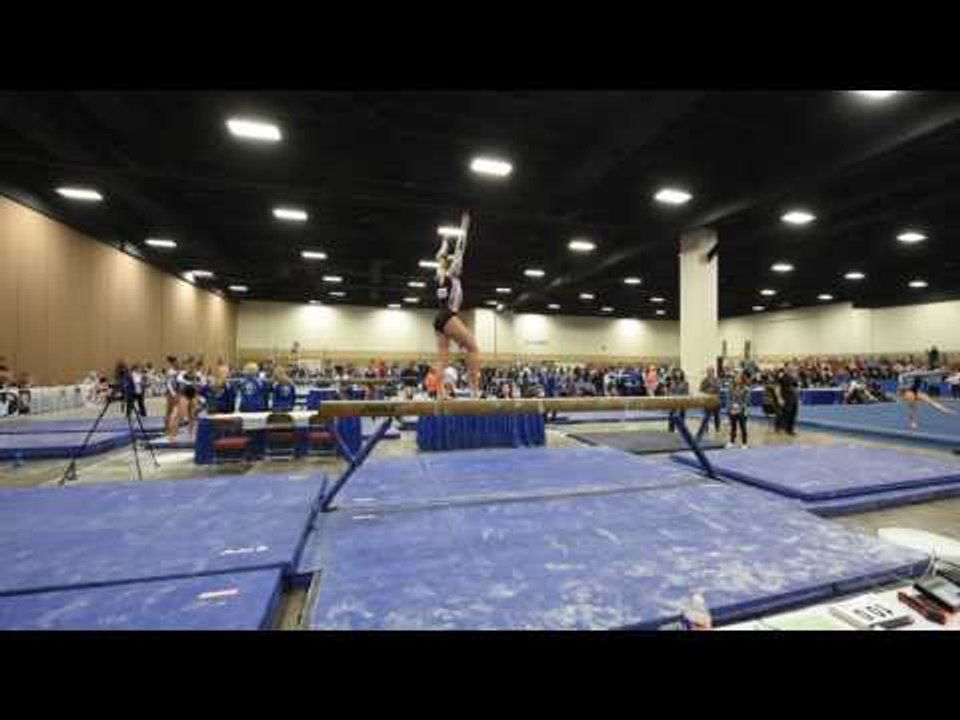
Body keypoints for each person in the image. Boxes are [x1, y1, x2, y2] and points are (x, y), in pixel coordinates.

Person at [433, 212, 480, 398]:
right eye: (457, 264)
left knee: (443, 356)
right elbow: (461, 247)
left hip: (439, 319)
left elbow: (440, 256)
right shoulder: (452, 274)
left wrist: (444, 241)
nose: (460, 266)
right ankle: (474, 390)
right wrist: (464, 227)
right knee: (474, 348)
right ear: (453, 265)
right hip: (448, 315)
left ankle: (439, 392)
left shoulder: (441, 274)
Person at [727, 373, 750, 449]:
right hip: (733, 410)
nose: (736, 379)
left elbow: (746, 401)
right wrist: (731, 406)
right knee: (733, 427)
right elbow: (730, 399)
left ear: (742, 379)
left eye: (738, 378)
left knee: (743, 427)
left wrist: (739, 407)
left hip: (742, 411)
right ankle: (731, 442)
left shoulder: (746, 389)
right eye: (735, 378)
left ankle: (744, 443)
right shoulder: (731, 388)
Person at [778, 366, 800, 436]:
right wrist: (780, 398)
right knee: (786, 414)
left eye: (792, 370)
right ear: (786, 370)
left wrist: (797, 396)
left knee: (793, 414)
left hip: (794, 398)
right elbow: (778, 388)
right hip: (787, 398)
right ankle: (783, 428)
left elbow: (797, 387)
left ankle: (790, 429)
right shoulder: (782, 378)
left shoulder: (794, 378)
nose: (792, 371)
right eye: (790, 370)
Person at [699, 366, 722, 433]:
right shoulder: (704, 380)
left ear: (713, 372)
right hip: (707, 400)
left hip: (715, 400)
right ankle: (706, 429)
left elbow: (718, 388)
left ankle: (717, 429)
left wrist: (711, 389)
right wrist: (708, 390)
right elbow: (701, 389)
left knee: (716, 415)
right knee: (706, 416)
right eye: (708, 371)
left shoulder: (717, 379)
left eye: (710, 371)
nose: (709, 373)